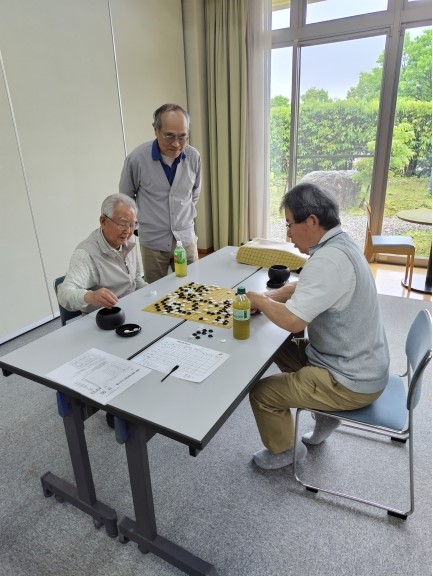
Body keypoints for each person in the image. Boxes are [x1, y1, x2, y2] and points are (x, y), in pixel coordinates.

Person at [247, 183, 390, 470]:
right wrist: (269, 296)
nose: (288, 233)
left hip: (350, 380)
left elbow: (293, 321)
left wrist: (259, 301)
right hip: (354, 361)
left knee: (263, 394)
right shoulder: (341, 245)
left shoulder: (328, 260)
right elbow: (307, 287)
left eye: (289, 224)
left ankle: (285, 451)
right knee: (276, 347)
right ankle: (326, 415)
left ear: (311, 221)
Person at [119, 103, 201, 284]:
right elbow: (126, 198)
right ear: (155, 130)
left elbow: (194, 194)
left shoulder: (193, 157)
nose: (176, 144)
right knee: (156, 293)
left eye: (182, 137)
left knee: (192, 287)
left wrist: (181, 217)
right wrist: (138, 225)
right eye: (169, 136)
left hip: (185, 238)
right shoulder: (137, 159)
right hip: (153, 242)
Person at [58, 193, 147, 314]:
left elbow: (136, 280)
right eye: (122, 224)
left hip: (132, 308)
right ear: (103, 221)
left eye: (132, 225)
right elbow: (64, 294)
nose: (128, 231)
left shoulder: (127, 241)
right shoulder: (86, 254)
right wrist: (90, 296)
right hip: (105, 317)